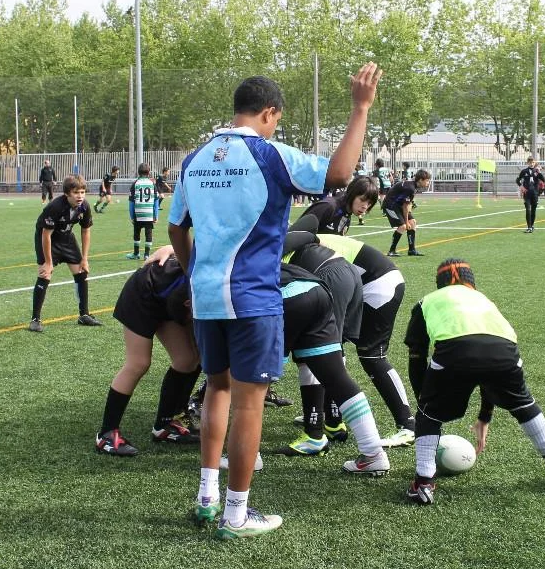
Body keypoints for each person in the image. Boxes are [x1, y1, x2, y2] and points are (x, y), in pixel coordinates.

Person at [167, 62, 381, 540]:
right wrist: (360, 108)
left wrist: (192, 274)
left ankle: (206, 498)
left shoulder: (195, 159)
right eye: (276, 120)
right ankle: (236, 515)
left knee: (217, 389)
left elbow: (176, 227)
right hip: (253, 297)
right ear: (269, 112)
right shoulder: (269, 154)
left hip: (207, 296)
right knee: (249, 404)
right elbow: (340, 174)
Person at [402, 258, 545, 505]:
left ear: (439, 283)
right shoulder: (484, 300)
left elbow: (416, 356)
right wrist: (484, 416)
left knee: (429, 415)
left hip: (454, 352)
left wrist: (424, 403)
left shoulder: (428, 301)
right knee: (523, 404)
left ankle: (423, 484)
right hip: (504, 353)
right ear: (471, 282)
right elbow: (486, 367)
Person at [272, 262, 389, 474]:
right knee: (336, 378)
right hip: (316, 290)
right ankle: (373, 454)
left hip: (283, 295)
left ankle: (245, 456)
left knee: (254, 380)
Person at [316, 233, 417, 448]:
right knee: (332, 345)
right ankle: (332, 417)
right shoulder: (301, 240)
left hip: (378, 284)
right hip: (367, 282)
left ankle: (409, 425)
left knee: (371, 355)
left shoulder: (295, 244)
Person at [94, 255, 203, 456]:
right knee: (138, 363)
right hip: (143, 291)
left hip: (172, 297)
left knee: (187, 358)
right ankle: (106, 434)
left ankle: (165, 425)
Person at [28, 175, 103, 332]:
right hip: (47, 239)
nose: (80, 196)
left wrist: (84, 259)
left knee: (81, 272)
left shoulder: (84, 206)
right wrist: (48, 262)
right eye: (76, 192)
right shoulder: (55, 206)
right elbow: (46, 235)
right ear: (67, 193)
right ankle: (35, 319)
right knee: (45, 274)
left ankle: (84, 315)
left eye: (82, 192)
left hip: (67, 238)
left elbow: (85, 231)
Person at [300, 175, 378, 236]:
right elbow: (297, 234)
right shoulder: (329, 207)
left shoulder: (347, 213)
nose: (365, 206)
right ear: (352, 193)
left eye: (369, 203)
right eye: (362, 200)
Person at [384, 168, 429, 257]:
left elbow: (408, 204)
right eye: (427, 180)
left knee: (413, 222)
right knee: (403, 226)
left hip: (398, 205)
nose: (428, 182)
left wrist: (409, 219)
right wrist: (406, 221)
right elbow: (405, 206)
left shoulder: (413, 186)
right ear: (420, 180)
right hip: (390, 205)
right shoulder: (411, 188)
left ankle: (412, 250)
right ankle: (391, 251)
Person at [127, 163, 157, 261]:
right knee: (148, 234)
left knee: (136, 233)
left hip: (138, 213)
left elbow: (131, 202)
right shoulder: (152, 184)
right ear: (149, 172)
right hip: (149, 214)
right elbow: (156, 201)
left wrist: (132, 216)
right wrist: (156, 215)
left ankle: (136, 253)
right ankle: (147, 255)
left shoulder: (135, 184)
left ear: (138, 172)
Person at [516, 156, 544, 233]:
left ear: (535, 163)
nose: (531, 164)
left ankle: (532, 225)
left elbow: (543, 180)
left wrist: (539, 172)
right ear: (527, 163)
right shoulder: (524, 171)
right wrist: (521, 186)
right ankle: (529, 227)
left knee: (533, 210)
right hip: (527, 194)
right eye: (530, 162)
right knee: (528, 209)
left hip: (535, 193)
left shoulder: (537, 171)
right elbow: (517, 180)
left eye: (533, 162)